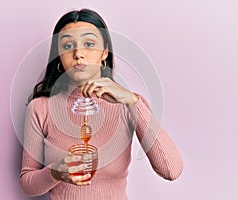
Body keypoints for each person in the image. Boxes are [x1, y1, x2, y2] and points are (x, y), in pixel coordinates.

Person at [19, 9, 183, 200]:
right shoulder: (41, 108)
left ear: (104, 52)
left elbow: (171, 170)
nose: (78, 54)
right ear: (59, 57)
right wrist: (55, 173)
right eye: (68, 45)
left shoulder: (129, 104)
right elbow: (27, 183)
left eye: (89, 44)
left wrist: (132, 102)